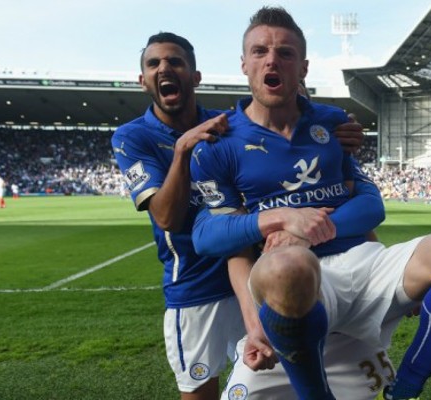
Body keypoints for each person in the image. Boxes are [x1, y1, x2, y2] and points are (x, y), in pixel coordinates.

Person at [191, 6, 431, 400]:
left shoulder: (333, 123)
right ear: (244, 64)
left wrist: (311, 230)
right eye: (260, 51)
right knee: (289, 265)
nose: (272, 60)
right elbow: (208, 237)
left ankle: (405, 389)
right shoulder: (218, 143)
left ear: (303, 67)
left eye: (285, 52)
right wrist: (281, 218)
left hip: (364, 262)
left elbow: (371, 205)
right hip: (292, 278)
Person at [111, 32, 367, 400]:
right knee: (201, 394)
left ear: (195, 77)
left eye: (175, 62)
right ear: (142, 80)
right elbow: (166, 218)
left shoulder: (228, 124)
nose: (164, 68)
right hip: (197, 285)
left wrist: (336, 130)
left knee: (286, 383)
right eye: (154, 64)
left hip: (256, 273)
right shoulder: (133, 137)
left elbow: (290, 125)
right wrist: (182, 151)